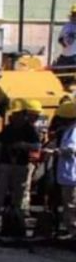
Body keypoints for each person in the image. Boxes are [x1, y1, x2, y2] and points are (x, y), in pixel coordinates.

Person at [0, 99, 42, 238]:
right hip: (5, 166)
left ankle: (17, 225)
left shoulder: (29, 130)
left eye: (17, 114)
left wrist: (23, 145)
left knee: (18, 198)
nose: (15, 117)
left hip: (20, 167)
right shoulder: (8, 129)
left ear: (23, 114)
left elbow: (37, 146)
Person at [55, 102, 76, 240]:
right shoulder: (70, 129)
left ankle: (74, 232)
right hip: (69, 174)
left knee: (71, 205)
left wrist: (57, 151)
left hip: (72, 175)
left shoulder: (74, 130)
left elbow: (72, 149)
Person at [55, 4, 76, 68]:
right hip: (64, 56)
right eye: (74, 14)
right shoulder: (67, 26)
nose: (74, 16)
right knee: (59, 74)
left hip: (74, 56)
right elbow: (60, 39)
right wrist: (64, 44)